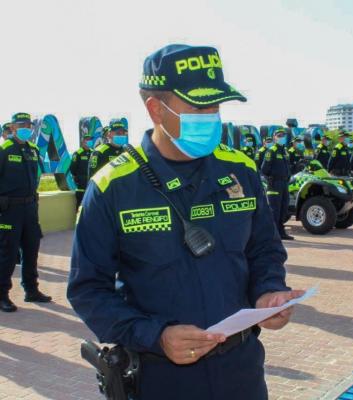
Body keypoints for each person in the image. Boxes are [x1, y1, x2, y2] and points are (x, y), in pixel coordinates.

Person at [68, 44, 302, 400]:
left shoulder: (240, 169)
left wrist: (268, 292)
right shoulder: (112, 187)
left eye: (215, 106)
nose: (211, 116)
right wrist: (155, 336)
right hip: (161, 377)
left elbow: (264, 249)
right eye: (197, 106)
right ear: (155, 109)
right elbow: (88, 289)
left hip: (241, 370)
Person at [0, 112, 52, 313]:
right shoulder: (5, 149)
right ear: (12, 128)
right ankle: (2, 295)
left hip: (30, 208)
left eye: (29, 125)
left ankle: (31, 290)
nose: (26, 128)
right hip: (9, 210)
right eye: (22, 125)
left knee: (31, 251)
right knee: (7, 253)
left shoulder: (33, 149)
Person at [262, 129, 294, 240]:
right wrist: (272, 179)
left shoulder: (284, 151)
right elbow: (264, 169)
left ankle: (281, 232)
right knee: (275, 210)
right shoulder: (272, 151)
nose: (282, 137)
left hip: (284, 184)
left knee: (283, 210)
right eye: (279, 135)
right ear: (275, 138)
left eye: (283, 135)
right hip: (275, 184)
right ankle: (272, 234)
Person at [69, 133, 95, 209]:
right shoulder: (78, 153)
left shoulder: (93, 152)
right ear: (83, 141)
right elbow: (72, 168)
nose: (89, 141)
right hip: (81, 187)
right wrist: (78, 179)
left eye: (90, 140)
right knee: (80, 207)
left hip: (91, 186)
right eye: (87, 140)